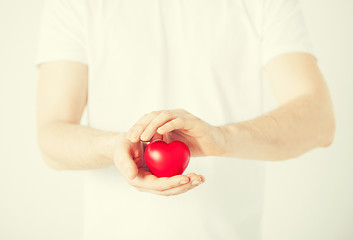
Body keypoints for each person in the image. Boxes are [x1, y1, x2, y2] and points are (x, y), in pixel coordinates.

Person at [35, 0, 335, 239]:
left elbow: (319, 121)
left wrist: (223, 138)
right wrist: (117, 147)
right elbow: (51, 137)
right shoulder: (73, 4)